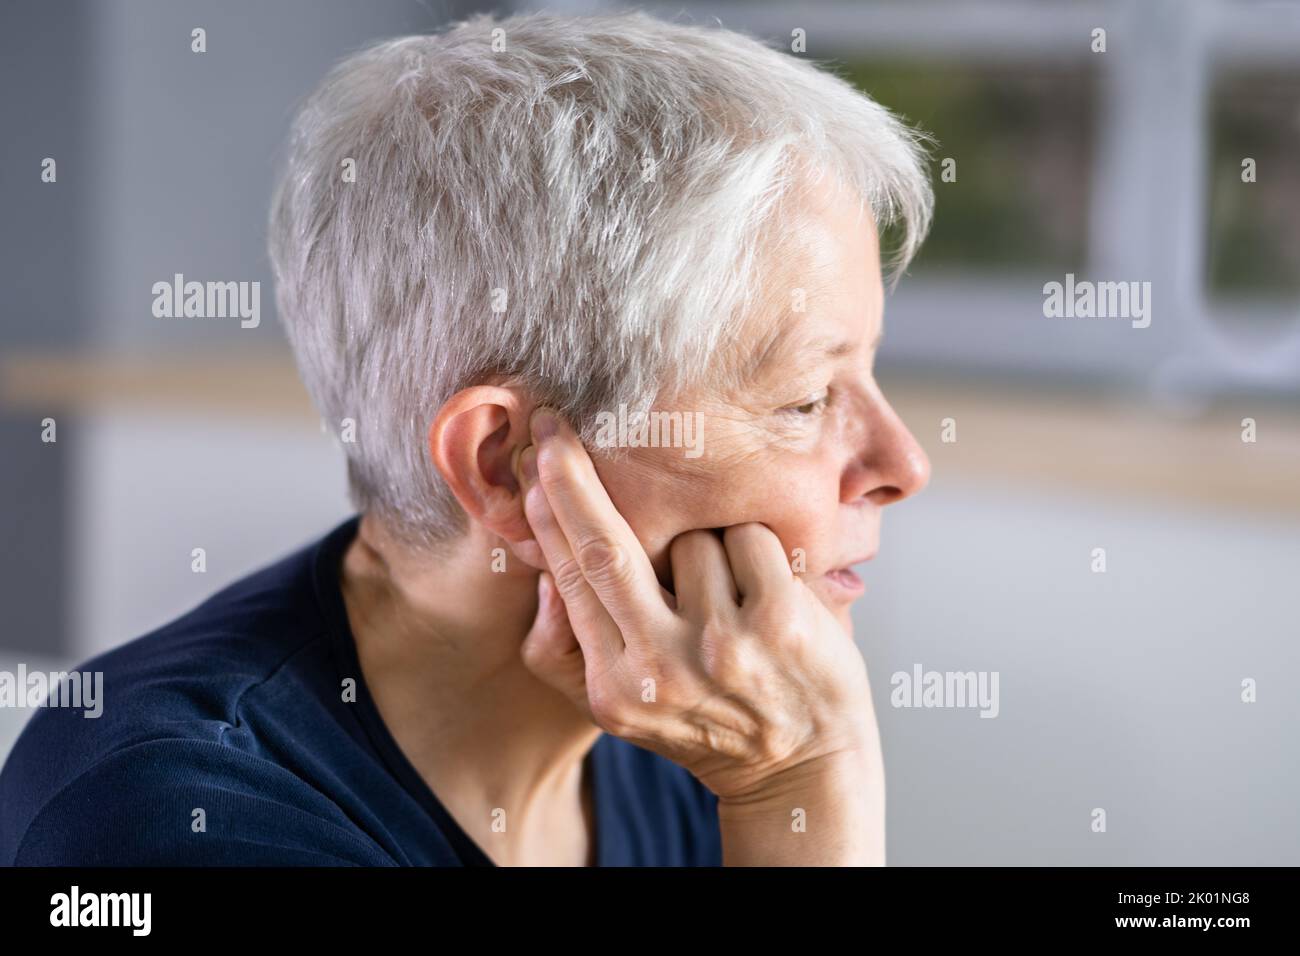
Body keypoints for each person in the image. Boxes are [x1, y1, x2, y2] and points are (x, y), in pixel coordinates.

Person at [0, 10, 932, 866]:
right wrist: (802, 789)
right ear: (504, 464)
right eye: (807, 399)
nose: (903, 464)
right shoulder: (165, 822)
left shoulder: (699, 710)